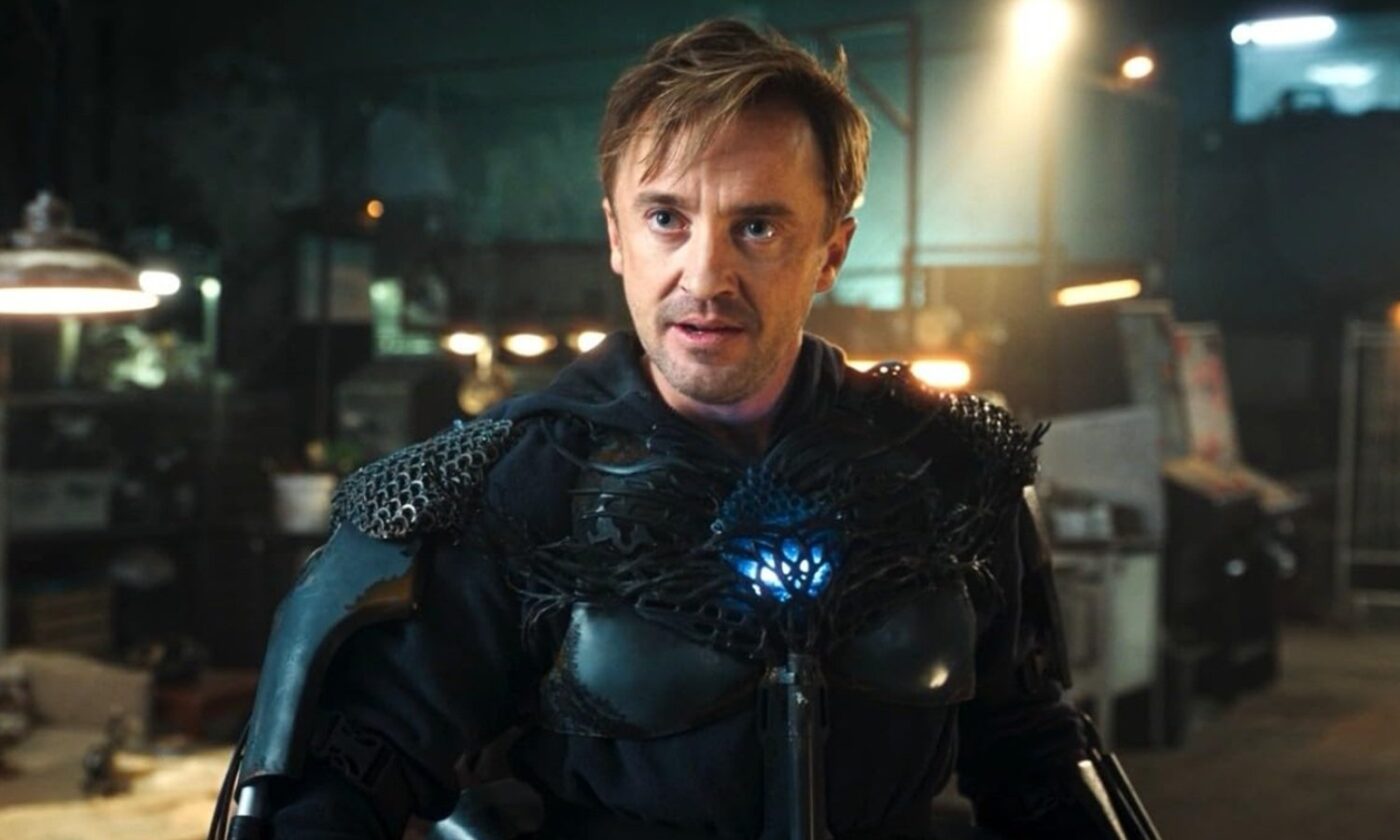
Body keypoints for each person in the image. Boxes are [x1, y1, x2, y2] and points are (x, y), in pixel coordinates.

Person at [213, 19, 1158, 840]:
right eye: (667, 217)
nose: (704, 277)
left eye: (758, 228)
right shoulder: (511, 487)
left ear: (831, 248)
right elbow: (353, 771)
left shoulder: (946, 471)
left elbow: (1032, 748)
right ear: (616, 236)